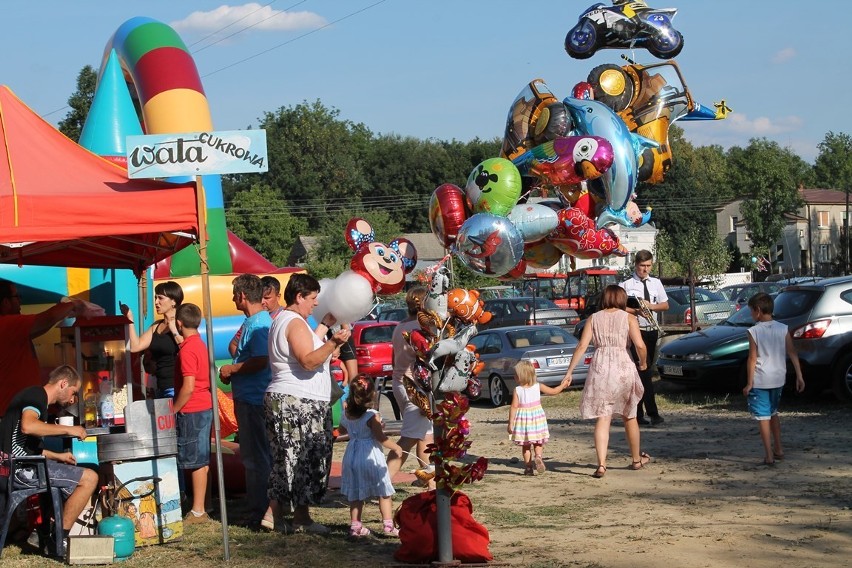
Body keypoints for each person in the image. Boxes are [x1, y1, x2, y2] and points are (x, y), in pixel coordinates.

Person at [265, 273, 351, 534]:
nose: (315, 304)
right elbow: (308, 360)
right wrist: (334, 342)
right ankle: (276, 514)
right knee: (299, 460)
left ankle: (293, 516)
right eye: (312, 299)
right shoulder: (294, 323)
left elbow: (306, 348)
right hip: (298, 402)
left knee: (291, 459)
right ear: (299, 297)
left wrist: (324, 327)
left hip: (291, 399)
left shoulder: (286, 320)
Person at [0, 365, 98, 556]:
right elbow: (28, 427)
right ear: (63, 383)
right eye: (73, 392)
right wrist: (70, 430)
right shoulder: (36, 395)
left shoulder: (36, 399)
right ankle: (58, 540)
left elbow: (24, 447)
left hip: (16, 466)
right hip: (18, 470)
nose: (72, 399)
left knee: (58, 471)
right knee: (90, 478)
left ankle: (44, 533)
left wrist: (57, 456)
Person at [564, 285, 651, 478]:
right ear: (622, 299)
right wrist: (643, 363)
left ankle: (602, 465)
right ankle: (636, 460)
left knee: (603, 417)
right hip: (623, 366)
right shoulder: (629, 318)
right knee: (630, 415)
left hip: (601, 368)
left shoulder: (593, 318)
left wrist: (570, 371)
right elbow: (639, 345)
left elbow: (581, 346)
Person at [218, 274, 274, 530]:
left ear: (242, 296)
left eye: (234, 295)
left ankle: (260, 511)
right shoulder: (254, 321)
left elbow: (261, 359)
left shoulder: (260, 322)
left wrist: (233, 370)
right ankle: (261, 508)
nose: (232, 299)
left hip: (254, 399)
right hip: (249, 397)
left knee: (256, 458)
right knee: (255, 456)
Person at [0, 280, 82, 415]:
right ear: (5, 303)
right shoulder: (6, 324)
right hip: (11, 415)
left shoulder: (13, 330)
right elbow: (48, 318)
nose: (20, 301)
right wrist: (75, 304)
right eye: (16, 297)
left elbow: (42, 326)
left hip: (16, 412)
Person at [743, 293, 805, 465]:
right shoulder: (782, 328)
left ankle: (769, 455)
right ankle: (779, 448)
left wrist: (749, 383)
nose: (750, 314)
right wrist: (799, 375)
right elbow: (792, 352)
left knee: (763, 417)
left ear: (757, 310)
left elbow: (752, 359)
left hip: (761, 379)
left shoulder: (754, 331)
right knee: (773, 412)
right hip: (779, 378)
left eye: (751, 311)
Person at [338, 375, 402, 538]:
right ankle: (388, 525)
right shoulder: (372, 415)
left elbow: (343, 430)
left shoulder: (347, 413)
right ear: (372, 395)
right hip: (370, 455)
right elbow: (381, 438)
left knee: (356, 493)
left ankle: (355, 526)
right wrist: (396, 447)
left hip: (352, 454)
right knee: (383, 490)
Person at [385, 286, 435, 488]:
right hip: (416, 388)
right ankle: (385, 481)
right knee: (408, 439)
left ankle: (428, 481)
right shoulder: (424, 327)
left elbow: (394, 358)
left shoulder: (399, 326)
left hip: (400, 383)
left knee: (425, 435)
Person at [173, 303, 213, 525]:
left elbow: (188, 386)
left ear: (179, 323)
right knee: (202, 457)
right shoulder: (199, 344)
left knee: (195, 460)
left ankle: (198, 510)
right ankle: (204, 504)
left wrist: (173, 410)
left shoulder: (187, 349)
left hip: (192, 408)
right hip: (203, 406)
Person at [620, 250, 668, 425]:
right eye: (642, 266)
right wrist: (636, 310)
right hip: (636, 330)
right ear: (636, 265)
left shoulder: (656, 283)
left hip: (651, 330)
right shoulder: (626, 284)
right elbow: (619, 307)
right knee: (643, 371)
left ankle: (640, 414)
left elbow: (665, 304)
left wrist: (651, 306)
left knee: (644, 372)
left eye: (648, 266)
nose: (645, 270)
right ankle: (649, 413)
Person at [122, 281, 184, 399]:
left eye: (160, 298)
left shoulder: (181, 322)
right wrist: (130, 319)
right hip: (159, 387)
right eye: (155, 298)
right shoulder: (156, 326)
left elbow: (188, 346)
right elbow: (135, 346)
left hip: (176, 386)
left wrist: (173, 330)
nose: (156, 302)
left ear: (173, 301)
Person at [508, 361, 570, 476]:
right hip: (537, 420)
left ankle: (528, 467)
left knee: (526, 445)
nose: (514, 377)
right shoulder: (538, 386)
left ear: (521, 376)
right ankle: (538, 456)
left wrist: (511, 423)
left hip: (523, 421)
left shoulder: (518, 390)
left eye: (516, 375)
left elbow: (514, 407)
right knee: (538, 442)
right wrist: (563, 385)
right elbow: (553, 391)